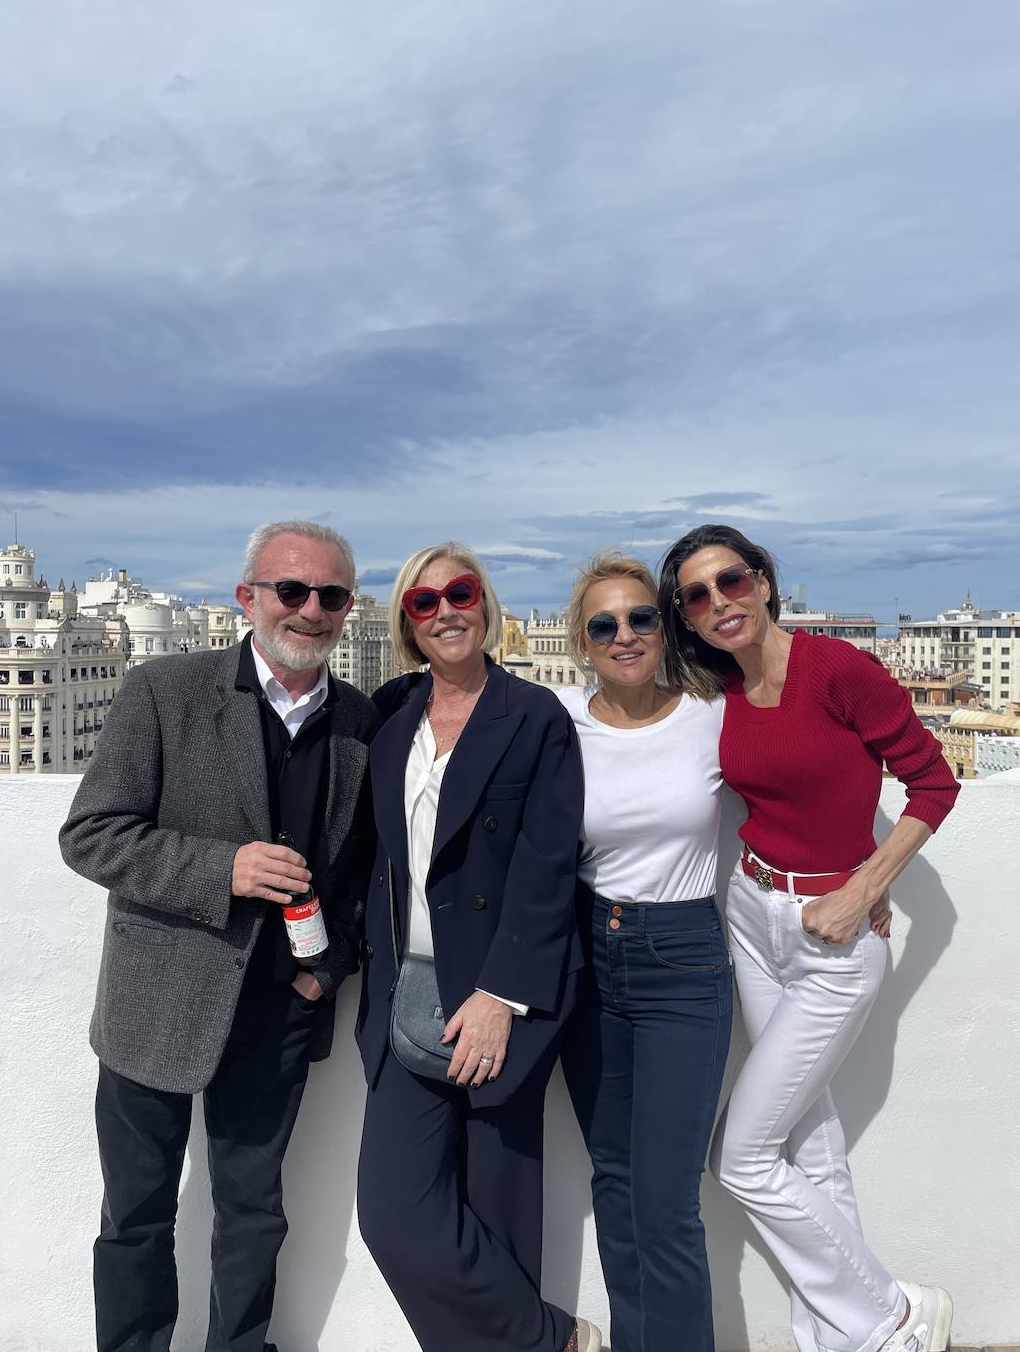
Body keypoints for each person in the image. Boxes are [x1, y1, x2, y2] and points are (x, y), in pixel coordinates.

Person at [59, 519, 379, 1352]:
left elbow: (359, 877)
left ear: (349, 608)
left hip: (279, 1013)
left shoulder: (359, 719)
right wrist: (220, 871)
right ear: (249, 598)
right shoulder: (165, 690)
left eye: (331, 595)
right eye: (291, 590)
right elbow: (90, 834)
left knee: (252, 1214)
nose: (311, 610)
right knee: (134, 1217)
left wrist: (328, 968)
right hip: (154, 1006)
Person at [658, 523, 960, 1352]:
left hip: (833, 937)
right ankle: (840, 1339)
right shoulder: (715, 687)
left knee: (742, 1157)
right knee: (808, 1142)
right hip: (753, 918)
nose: (720, 601)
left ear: (761, 581)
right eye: (696, 594)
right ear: (683, 615)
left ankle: (893, 1313)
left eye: (732, 579)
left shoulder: (837, 670)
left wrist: (867, 883)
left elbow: (933, 782)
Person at [355, 541, 602, 1352]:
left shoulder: (532, 716)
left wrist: (501, 996)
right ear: (406, 623)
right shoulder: (393, 714)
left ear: (487, 605)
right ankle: (551, 1340)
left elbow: (545, 865)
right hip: (405, 994)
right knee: (392, 1215)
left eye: (459, 593)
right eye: (424, 602)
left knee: (498, 1214)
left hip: (496, 996)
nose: (445, 611)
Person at [557, 552, 732, 1352]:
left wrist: (859, 882)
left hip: (683, 958)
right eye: (604, 625)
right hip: (589, 956)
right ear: (581, 642)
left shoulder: (710, 712)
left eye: (639, 618)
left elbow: (803, 769)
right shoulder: (557, 719)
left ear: (664, 628)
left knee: (665, 1200)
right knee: (615, 1183)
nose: (623, 635)